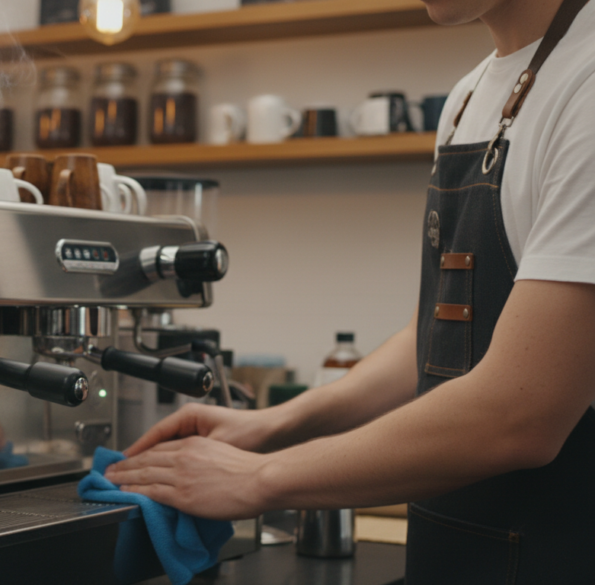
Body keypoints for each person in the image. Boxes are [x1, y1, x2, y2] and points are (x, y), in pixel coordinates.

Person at [104, 0, 595, 580]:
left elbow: (521, 414)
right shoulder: (465, 99)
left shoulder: (585, 83)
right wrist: (276, 424)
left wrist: (258, 479)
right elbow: (432, 341)